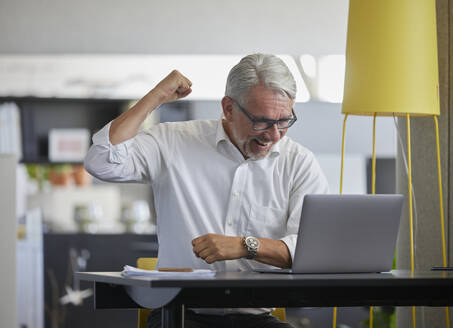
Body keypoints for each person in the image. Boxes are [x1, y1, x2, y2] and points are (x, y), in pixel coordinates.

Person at [84, 53, 329, 328]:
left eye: (284, 121)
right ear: (228, 108)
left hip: (257, 319)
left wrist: (244, 246)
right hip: (179, 315)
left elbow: (311, 251)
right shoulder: (173, 141)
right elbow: (101, 161)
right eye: (261, 122)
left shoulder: (298, 162)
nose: (273, 135)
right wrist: (155, 96)